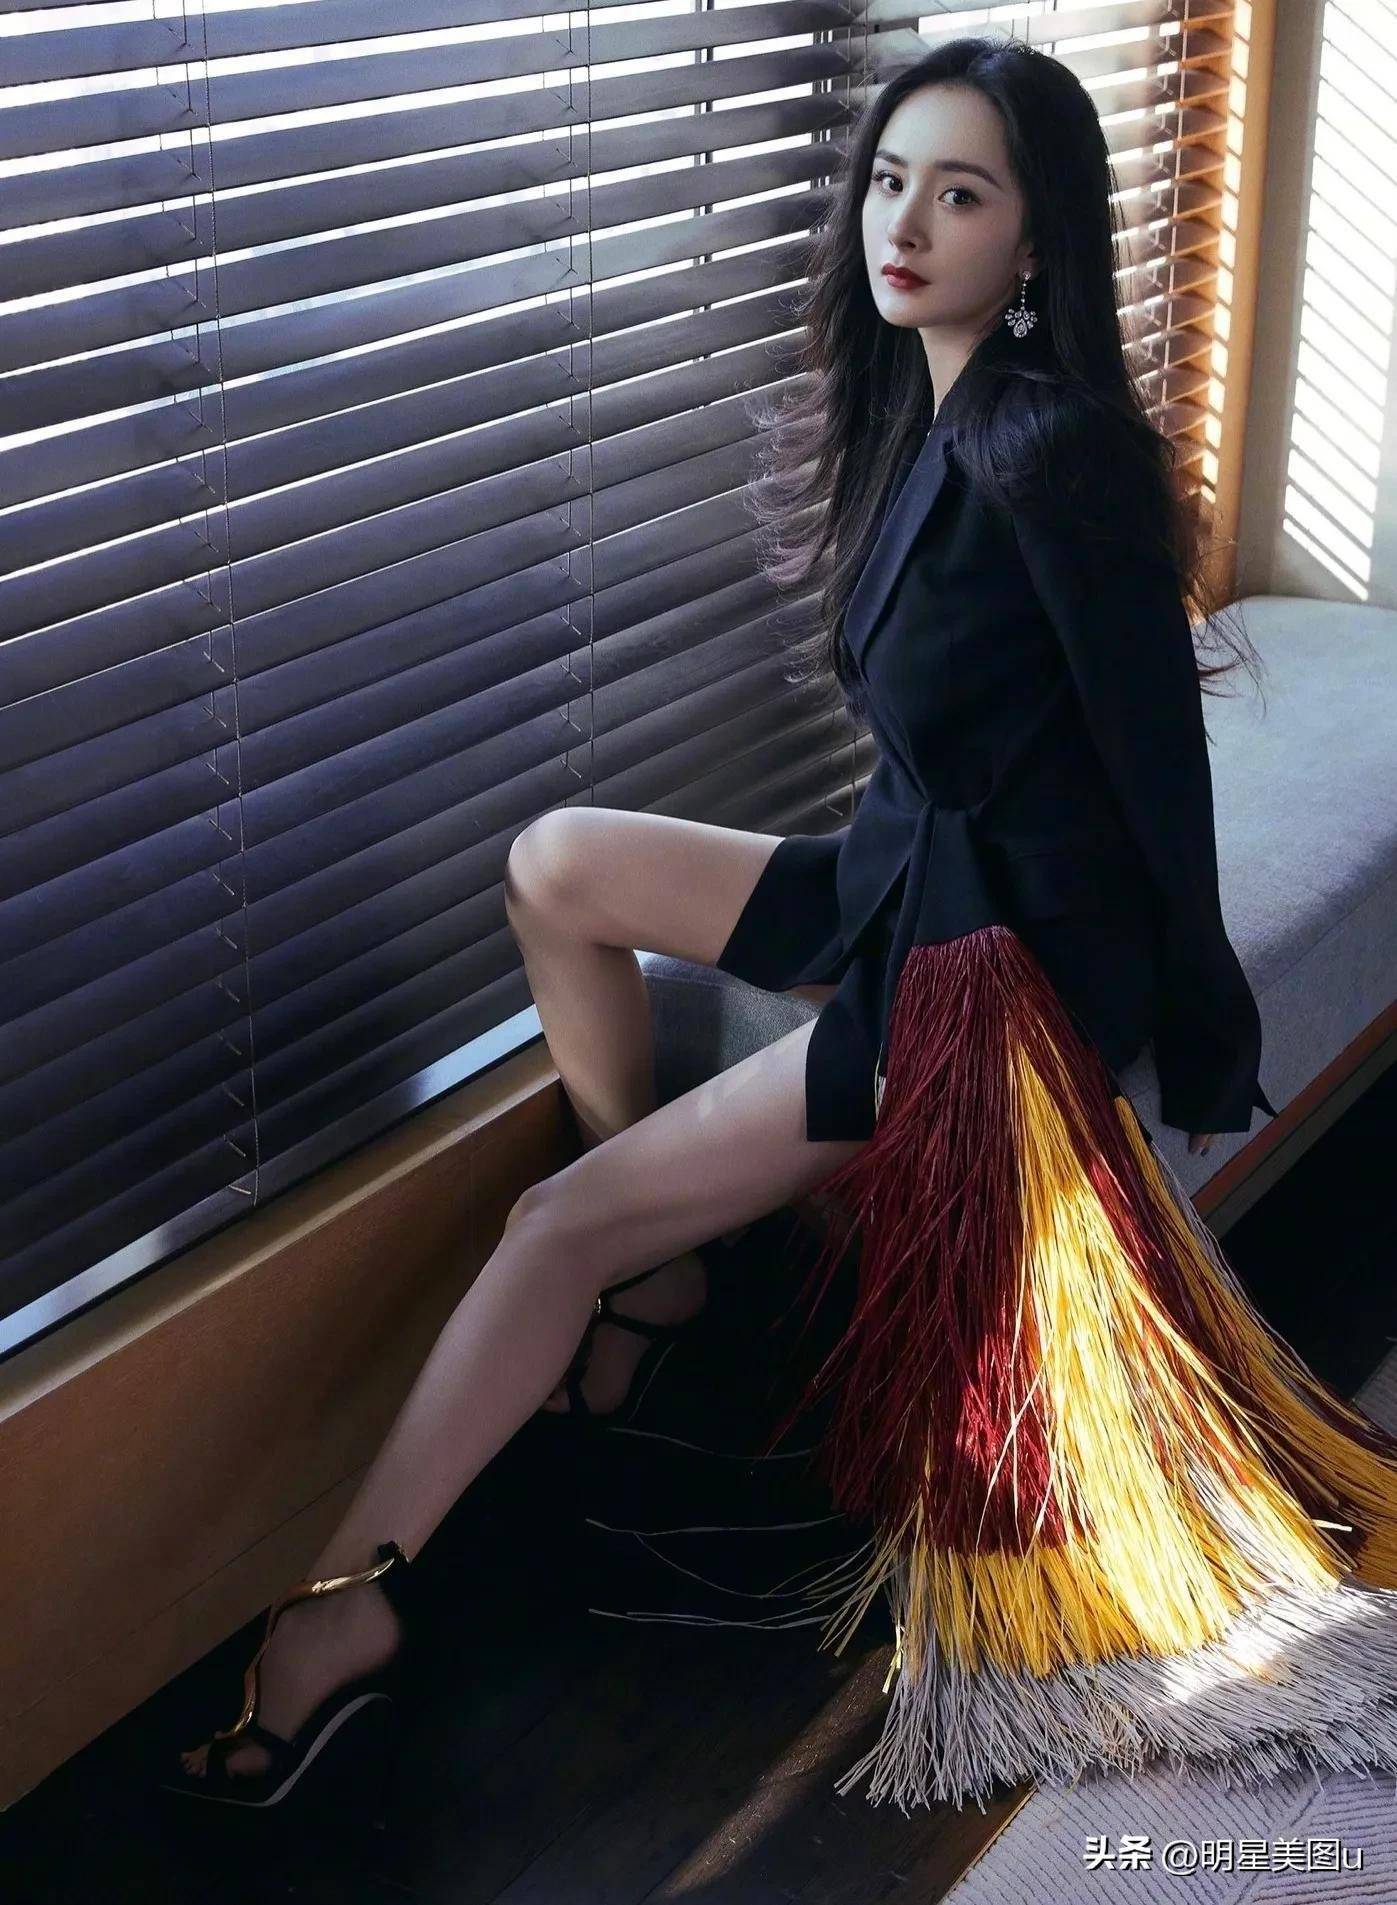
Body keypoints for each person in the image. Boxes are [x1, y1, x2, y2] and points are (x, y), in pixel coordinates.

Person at [164, 37, 1397, 1820]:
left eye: (960, 193)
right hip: (897, 871)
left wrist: (1183, 1027)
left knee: (549, 1224)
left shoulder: (1049, 449)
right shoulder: (917, 408)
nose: (907, 222)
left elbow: (1152, 763)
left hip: (982, 968)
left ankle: (339, 1611)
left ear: (1034, 236)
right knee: (555, 861)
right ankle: (664, 1267)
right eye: (890, 179)